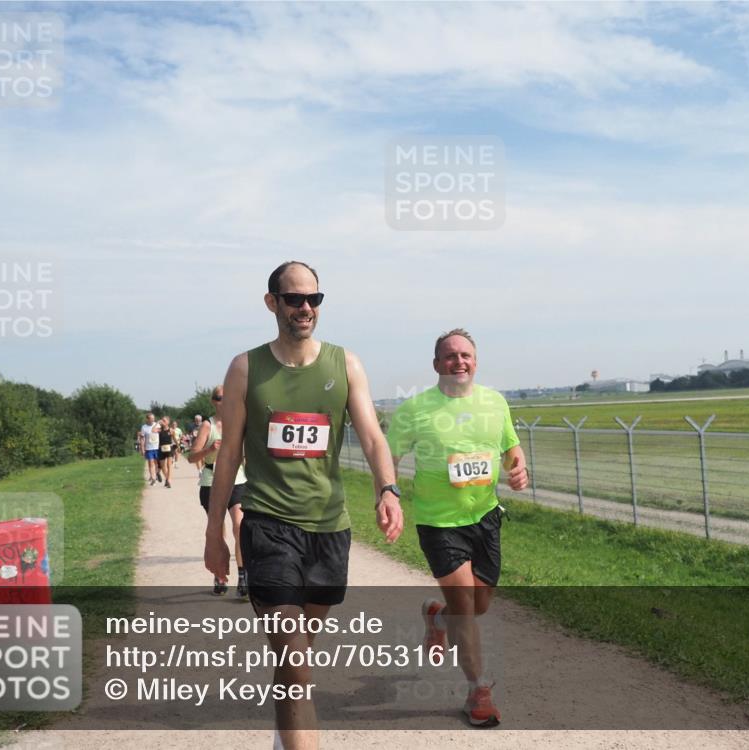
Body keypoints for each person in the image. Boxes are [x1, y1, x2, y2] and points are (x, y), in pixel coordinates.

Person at [204, 260, 402, 750]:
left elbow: (374, 437)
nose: (306, 308)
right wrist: (215, 534)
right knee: (294, 655)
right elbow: (228, 455)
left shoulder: (345, 364)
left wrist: (388, 489)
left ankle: (285, 730)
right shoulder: (245, 368)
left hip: (329, 528)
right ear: (273, 303)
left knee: (298, 653)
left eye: (314, 299)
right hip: (269, 524)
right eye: (294, 299)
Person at [387, 328, 528, 727]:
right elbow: (389, 455)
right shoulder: (415, 410)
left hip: (485, 517)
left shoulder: (494, 402)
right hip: (438, 522)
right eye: (450, 356)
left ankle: (437, 618)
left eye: (465, 355)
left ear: (475, 361)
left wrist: (519, 467)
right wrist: (389, 494)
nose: (459, 362)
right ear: (436, 365)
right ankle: (478, 690)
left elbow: (510, 447)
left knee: (478, 604)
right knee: (466, 604)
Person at [189, 386, 247, 597]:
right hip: (212, 482)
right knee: (218, 530)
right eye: (221, 398)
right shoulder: (208, 425)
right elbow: (192, 457)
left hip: (237, 479)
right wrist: (209, 449)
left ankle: (243, 575)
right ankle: (220, 575)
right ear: (214, 401)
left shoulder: (240, 422)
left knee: (240, 526)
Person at [138, 412, 161, 486]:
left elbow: (162, 434)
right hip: (149, 448)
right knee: (151, 463)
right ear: (147, 419)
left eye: (153, 419)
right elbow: (142, 439)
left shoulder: (157, 425)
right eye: (151, 419)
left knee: (156, 463)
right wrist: (142, 449)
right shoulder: (144, 427)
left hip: (157, 447)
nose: (153, 420)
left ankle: (157, 474)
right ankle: (153, 478)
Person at [157, 416, 175, 488]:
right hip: (161, 449)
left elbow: (175, 439)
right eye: (162, 420)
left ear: (168, 422)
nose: (163, 422)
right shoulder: (159, 430)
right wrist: (157, 423)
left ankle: (169, 481)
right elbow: (152, 430)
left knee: (169, 465)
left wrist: (178, 446)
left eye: (164, 421)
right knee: (163, 466)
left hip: (169, 448)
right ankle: (167, 479)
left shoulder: (171, 430)